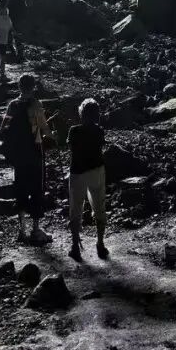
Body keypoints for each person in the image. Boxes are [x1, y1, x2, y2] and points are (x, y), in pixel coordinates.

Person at [1, 73, 53, 244]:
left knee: (21, 188)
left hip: (19, 156)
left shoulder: (12, 105)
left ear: (19, 87)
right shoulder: (36, 105)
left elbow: (4, 127)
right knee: (37, 189)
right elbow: (44, 129)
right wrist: (52, 135)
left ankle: (22, 229)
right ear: (33, 87)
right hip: (35, 153)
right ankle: (36, 229)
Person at [67, 97, 108, 261]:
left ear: (81, 114)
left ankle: (75, 246)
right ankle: (100, 243)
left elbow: (71, 148)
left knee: (75, 208)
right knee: (99, 205)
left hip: (77, 172)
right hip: (96, 170)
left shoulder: (74, 130)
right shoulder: (99, 131)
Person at [0, 0, 15, 82]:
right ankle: (2, 74)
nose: (5, 9)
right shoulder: (2, 17)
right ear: (1, 8)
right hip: (1, 40)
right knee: (2, 58)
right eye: (4, 8)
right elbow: (10, 26)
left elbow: (10, 26)